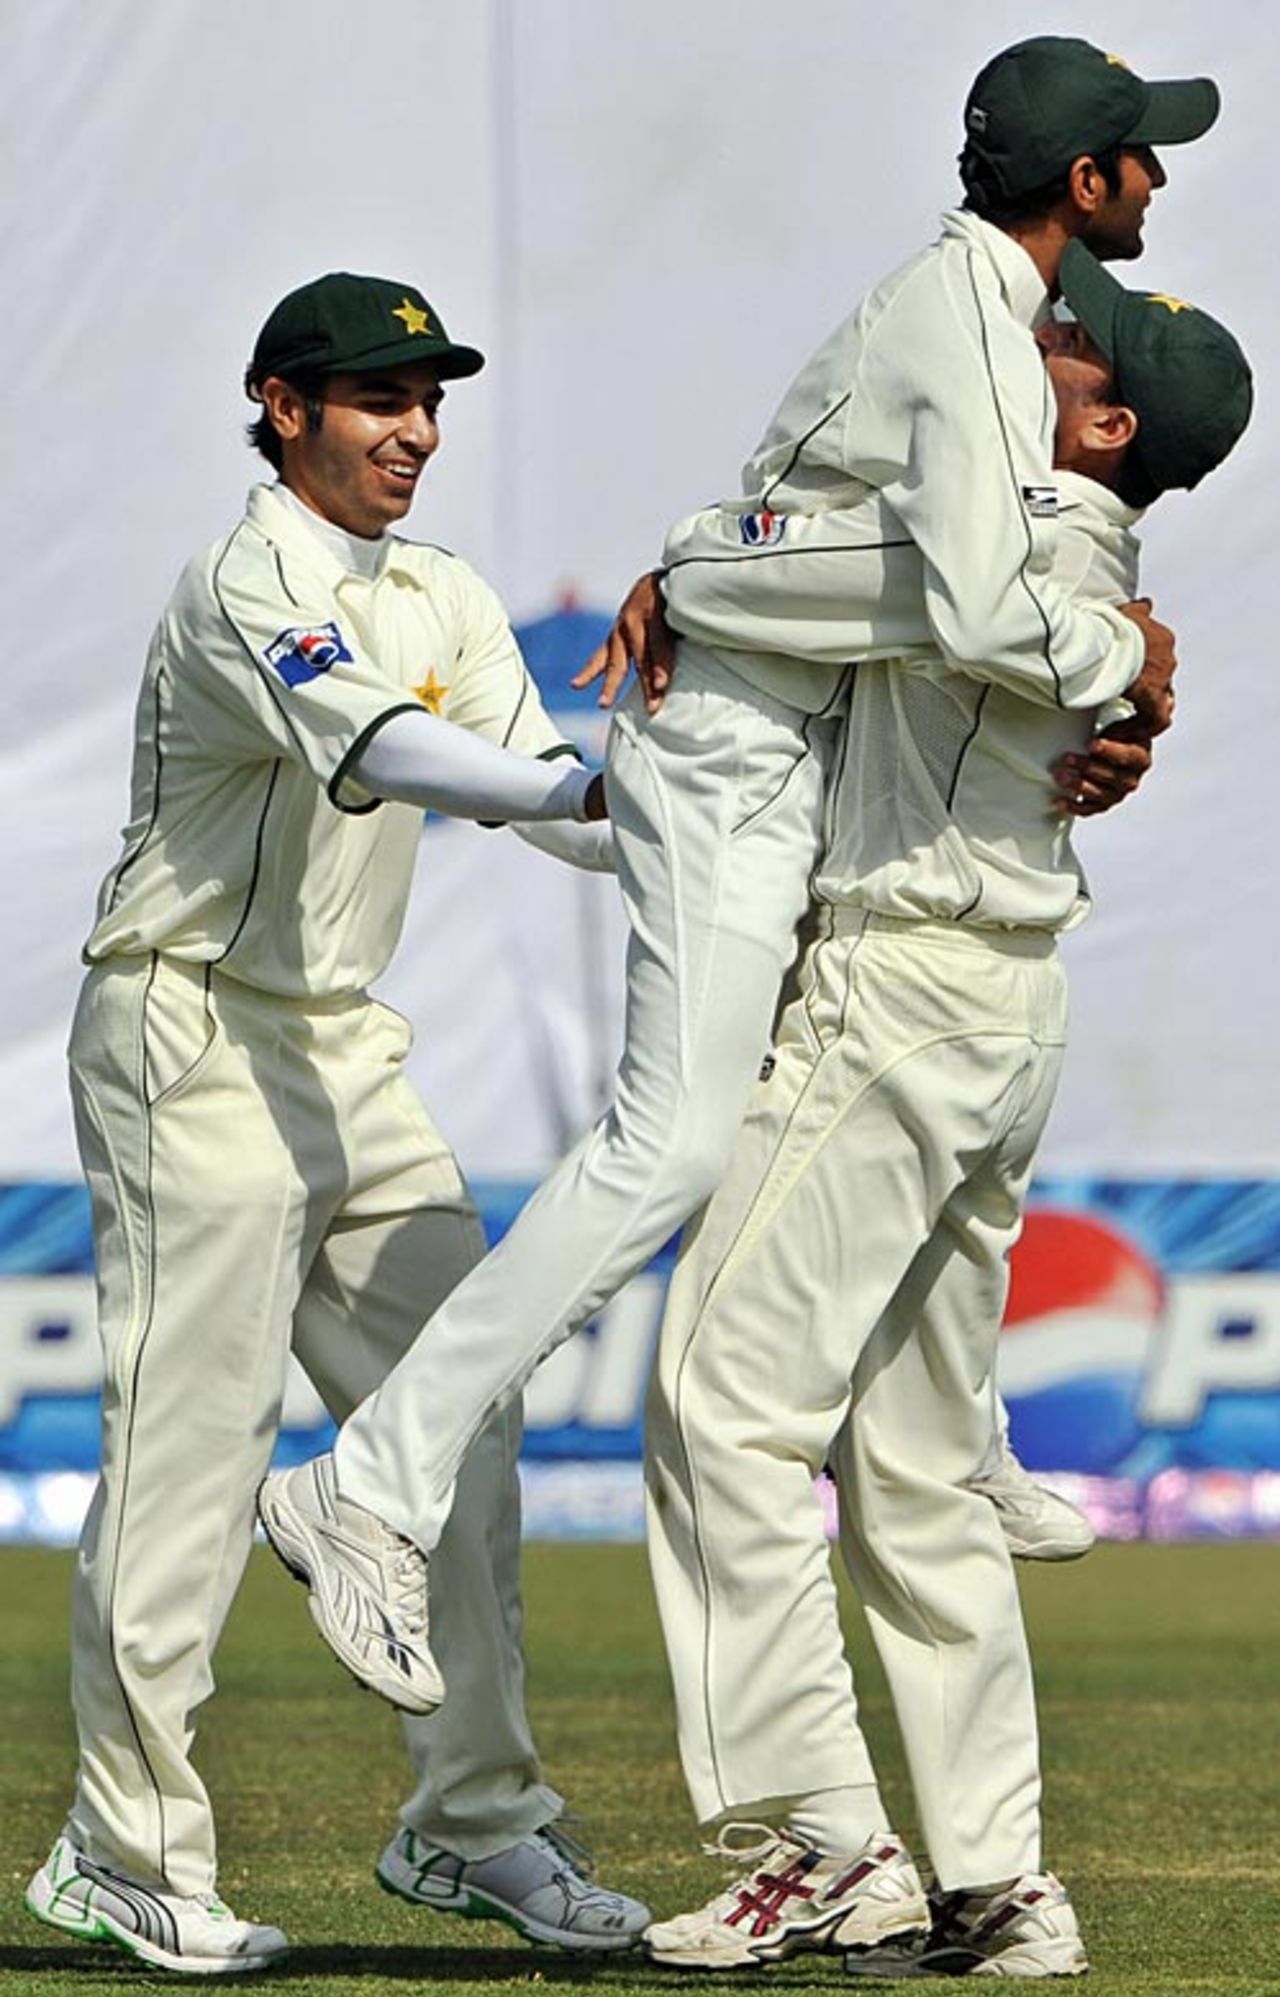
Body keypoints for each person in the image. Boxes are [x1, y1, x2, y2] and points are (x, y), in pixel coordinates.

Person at [255, 35, 1204, 1712]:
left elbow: (819, 558)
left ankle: (951, 1425)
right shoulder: (970, 318)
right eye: (1144, 157)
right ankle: (369, 1481)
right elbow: (964, 606)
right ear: (1085, 181)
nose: (1162, 179)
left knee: (901, 1109)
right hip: (728, 761)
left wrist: (709, 566)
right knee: (670, 1144)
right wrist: (1109, 649)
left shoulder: (986, 318)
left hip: (788, 765)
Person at [23, 270, 649, 1977]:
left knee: (458, 1419)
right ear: (284, 405)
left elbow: (559, 808)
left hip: (349, 1051)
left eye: (432, 396)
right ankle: (122, 1853)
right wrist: (598, 787)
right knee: (191, 1459)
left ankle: (473, 1824)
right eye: (379, 398)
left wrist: (694, 809)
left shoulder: (440, 586)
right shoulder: (249, 582)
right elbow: (395, 747)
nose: (417, 429)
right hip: (190, 1031)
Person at [641, 250, 1252, 1977]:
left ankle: (821, 1832)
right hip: (1001, 1008)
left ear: (1105, 422)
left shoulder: (997, 553)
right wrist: (1134, 670)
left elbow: (726, 576)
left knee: (719, 1404)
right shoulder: (1086, 572)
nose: (1028, 345)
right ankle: (1002, 1879)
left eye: (1061, 349)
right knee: (917, 1468)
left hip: (897, 992)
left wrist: (682, 563)